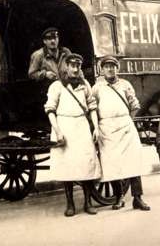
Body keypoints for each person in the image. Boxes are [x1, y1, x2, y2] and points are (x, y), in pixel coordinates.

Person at [44, 53, 101, 216]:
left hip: (82, 127)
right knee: (67, 167)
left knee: (87, 164)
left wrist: (96, 128)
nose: (76, 69)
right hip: (65, 127)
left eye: (78, 66)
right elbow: (50, 110)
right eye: (73, 66)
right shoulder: (57, 86)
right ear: (66, 67)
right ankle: (70, 205)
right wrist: (58, 131)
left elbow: (92, 108)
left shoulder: (85, 85)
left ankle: (88, 203)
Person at [92, 55, 150, 211]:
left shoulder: (125, 84)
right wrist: (98, 127)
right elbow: (93, 108)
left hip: (125, 125)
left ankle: (138, 198)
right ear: (102, 69)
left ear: (117, 68)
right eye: (106, 66)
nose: (110, 69)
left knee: (133, 161)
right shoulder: (97, 88)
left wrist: (128, 121)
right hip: (107, 128)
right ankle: (119, 198)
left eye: (113, 66)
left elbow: (135, 105)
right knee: (112, 163)